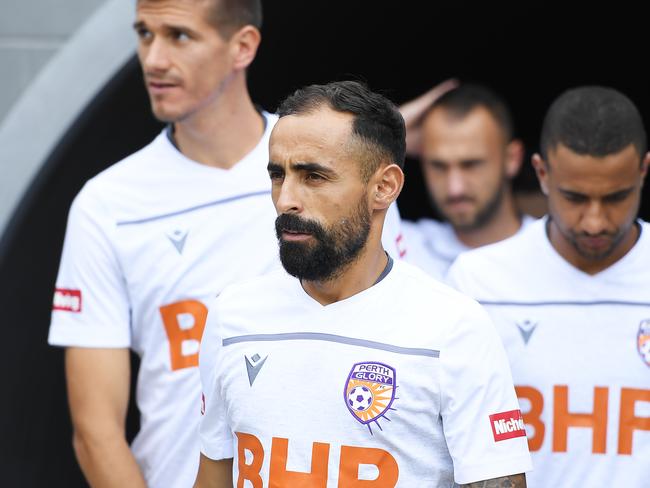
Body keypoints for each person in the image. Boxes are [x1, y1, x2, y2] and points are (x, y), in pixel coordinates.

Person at [47, 1, 406, 486]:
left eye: (179, 36)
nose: (152, 59)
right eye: (144, 34)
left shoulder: (343, 171)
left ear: (243, 46)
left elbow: (406, 347)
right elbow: (95, 431)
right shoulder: (107, 204)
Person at [194, 80, 531, 487]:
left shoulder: (454, 328)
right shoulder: (233, 316)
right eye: (278, 175)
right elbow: (212, 478)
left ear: (384, 187)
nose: (286, 199)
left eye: (314, 176)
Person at [447, 86, 650, 487]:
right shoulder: (479, 281)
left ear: (643, 172)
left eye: (616, 197)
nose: (595, 221)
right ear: (541, 174)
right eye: (574, 197)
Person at [400, 82, 535, 278]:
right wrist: (387, 135)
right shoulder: (398, 248)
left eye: (471, 164)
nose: (455, 188)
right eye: (438, 166)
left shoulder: (556, 251)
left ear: (512, 159)